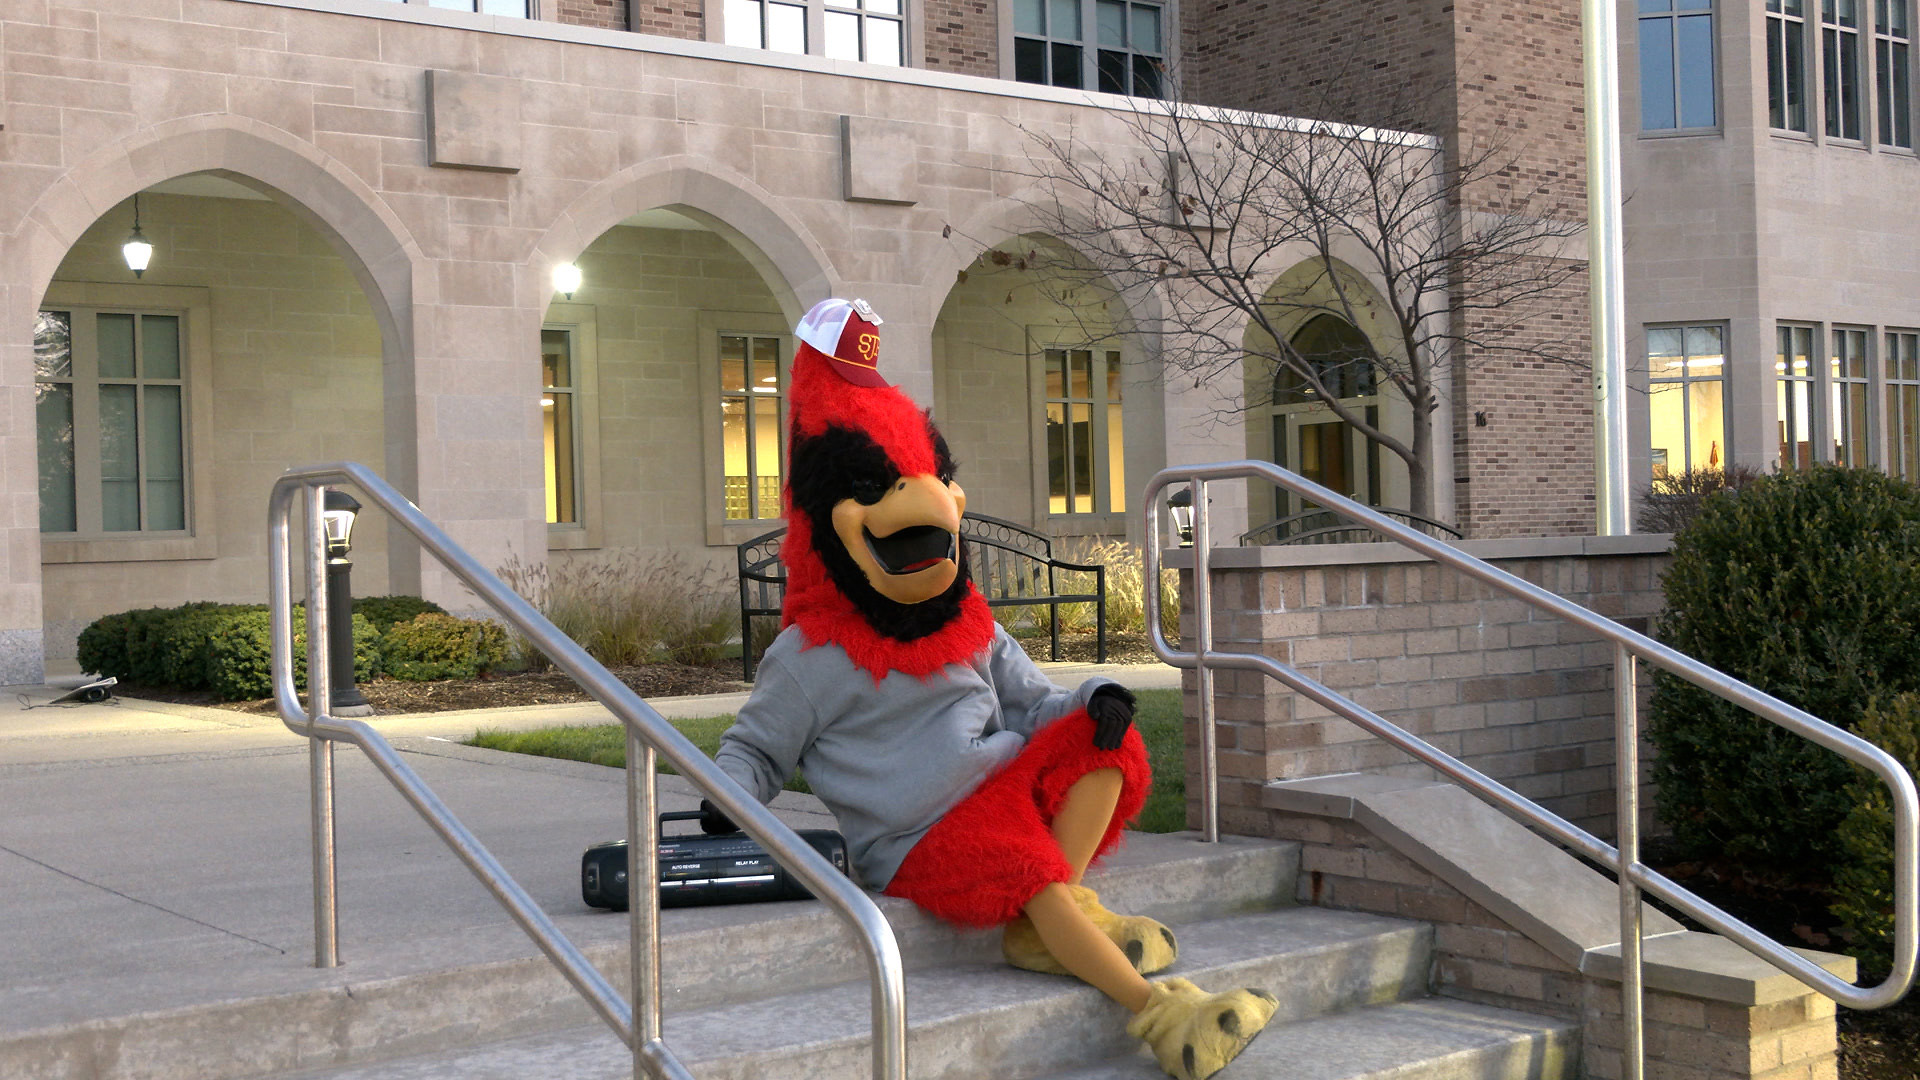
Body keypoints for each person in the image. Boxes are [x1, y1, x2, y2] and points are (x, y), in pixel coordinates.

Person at [708, 298, 1276, 1080]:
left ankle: (1050, 922)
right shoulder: (811, 656)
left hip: (999, 790)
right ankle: (1160, 1013)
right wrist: (723, 794)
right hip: (916, 838)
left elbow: (1035, 702)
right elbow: (754, 751)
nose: (927, 503)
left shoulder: (968, 621)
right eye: (879, 487)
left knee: (1109, 747)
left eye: (930, 479)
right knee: (1015, 854)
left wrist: (1097, 699)